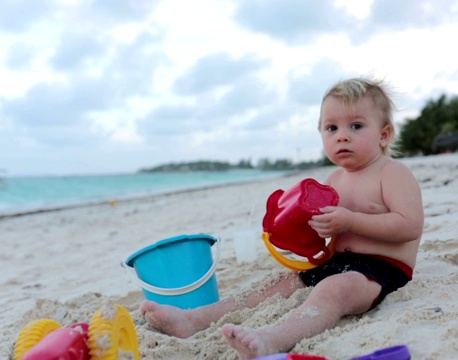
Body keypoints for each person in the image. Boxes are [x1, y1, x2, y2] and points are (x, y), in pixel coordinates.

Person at [140, 77, 424, 359]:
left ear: (384, 134)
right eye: (331, 128)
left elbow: (409, 226)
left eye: (356, 126)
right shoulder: (334, 179)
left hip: (382, 269)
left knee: (333, 290)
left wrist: (351, 221)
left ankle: (273, 339)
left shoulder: (391, 172)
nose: (342, 135)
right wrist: (300, 236)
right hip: (335, 262)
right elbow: (327, 237)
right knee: (276, 284)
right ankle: (193, 319)